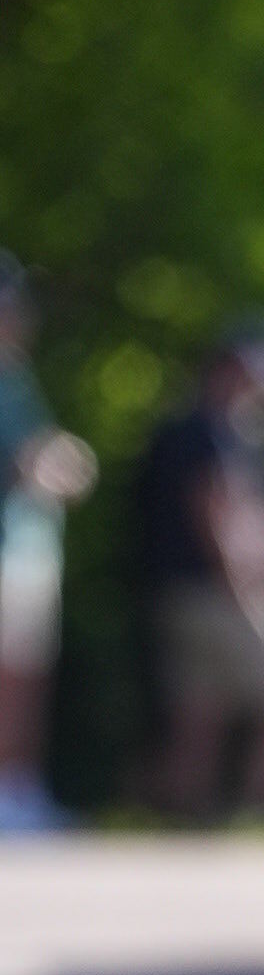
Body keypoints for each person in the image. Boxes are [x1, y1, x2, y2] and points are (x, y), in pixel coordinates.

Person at [131, 328, 264, 823]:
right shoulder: (205, 434)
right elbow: (216, 517)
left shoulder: (233, 435)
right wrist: (249, 590)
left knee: (200, 712)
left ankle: (188, 818)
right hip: (222, 595)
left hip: (199, 593)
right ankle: (252, 815)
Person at [0, 257, 96, 832]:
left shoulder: (18, 379)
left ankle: (18, 787)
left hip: (27, 551)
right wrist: (47, 464)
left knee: (27, 675)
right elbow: (24, 463)